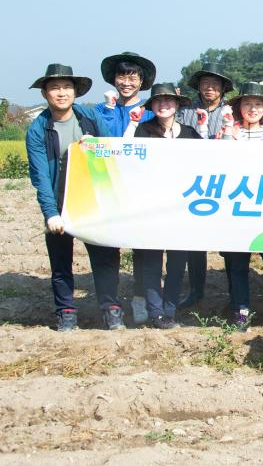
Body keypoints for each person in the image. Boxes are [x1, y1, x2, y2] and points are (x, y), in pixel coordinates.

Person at [26, 64, 124, 331]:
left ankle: (111, 308)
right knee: (60, 263)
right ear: (45, 93)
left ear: (75, 92)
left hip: (93, 201)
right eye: (55, 88)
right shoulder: (38, 130)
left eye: (66, 87)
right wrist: (50, 213)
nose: (61, 93)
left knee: (106, 257)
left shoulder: (90, 119)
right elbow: (40, 176)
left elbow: (113, 153)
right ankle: (66, 312)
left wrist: (95, 147)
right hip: (60, 202)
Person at [124, 83, 202, 329]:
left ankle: (170, 311)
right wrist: (132, 123)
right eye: (158, 101)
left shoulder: (189, 132)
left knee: (177, 265)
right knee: (151, 264)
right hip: (151, 208)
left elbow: (210, 158)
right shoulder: (143, 131)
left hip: (182, 209)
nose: (163, 105)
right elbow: (126, 156)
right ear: (152, 106)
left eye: (169, 101)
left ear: (177, 105)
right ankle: (156, 312)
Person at [218, 81, 263, 328]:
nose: (253, 109)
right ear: (239, 107)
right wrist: (228, 129)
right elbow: (218, 160)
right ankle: (241, 309)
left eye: (258, 104)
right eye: (247, 104)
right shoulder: (228, 131)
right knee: (238, 265)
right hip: (236, 207)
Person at [95, 50, 157, 324]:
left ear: (142, 82)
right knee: (107, 250)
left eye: (133, 76)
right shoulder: (100, 110)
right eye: (122, 75)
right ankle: (111, 307)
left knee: (145, 250)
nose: (127, 81)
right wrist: (109, 111)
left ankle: (140, 298)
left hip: (143, 191)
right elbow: (103, 141)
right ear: (113, 79)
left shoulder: (150, 112)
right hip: (109, 191)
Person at [176, 62, 235, 309]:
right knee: (194, 244)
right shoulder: (186, 111)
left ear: (222, 88)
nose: (209, 88)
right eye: (205, 84)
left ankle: (235, 293)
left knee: (232, 243)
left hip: (228, 183)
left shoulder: (232, 111)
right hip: (195, 184)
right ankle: (196, 291)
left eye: (214, 84)